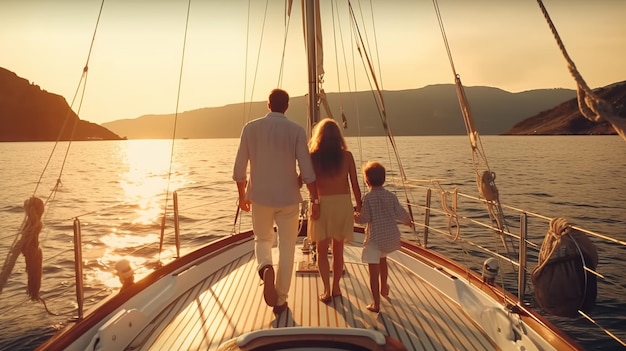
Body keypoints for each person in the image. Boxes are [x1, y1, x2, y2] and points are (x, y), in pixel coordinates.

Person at [232, 88, 319, 315]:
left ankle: (265, 267)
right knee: (288, 246)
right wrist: (315, 197)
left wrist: (242, 196)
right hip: (289, 197)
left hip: (260, 197)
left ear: (268, 104)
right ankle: (280, 300)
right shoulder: (296, 130)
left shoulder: (250, 129)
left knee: (262, 239)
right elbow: (307, 171)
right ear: (287, 106)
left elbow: (239, 168)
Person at [307, 118, 362, 303]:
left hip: (321, 204)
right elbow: (354, 184)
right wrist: (360, 206)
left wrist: (314, 201)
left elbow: (308, 182)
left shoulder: (312, 156)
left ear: (319, 136)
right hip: (342, 205)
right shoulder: (347, 156)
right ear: (338, 136)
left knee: (322, 251)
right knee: (338, 251)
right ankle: (337, 287)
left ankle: (326, 290)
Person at [354, 161, 413, 313]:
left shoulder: (368, 198)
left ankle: (376, 303)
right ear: (384, 179)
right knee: (383, 261)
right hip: (389, 237)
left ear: (367, 180)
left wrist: (355, 217)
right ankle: (384, 287)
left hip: (375, 239)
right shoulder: (391, 196)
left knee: (373, 272)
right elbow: (402, 214)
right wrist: (408, 222)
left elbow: (364, 219)